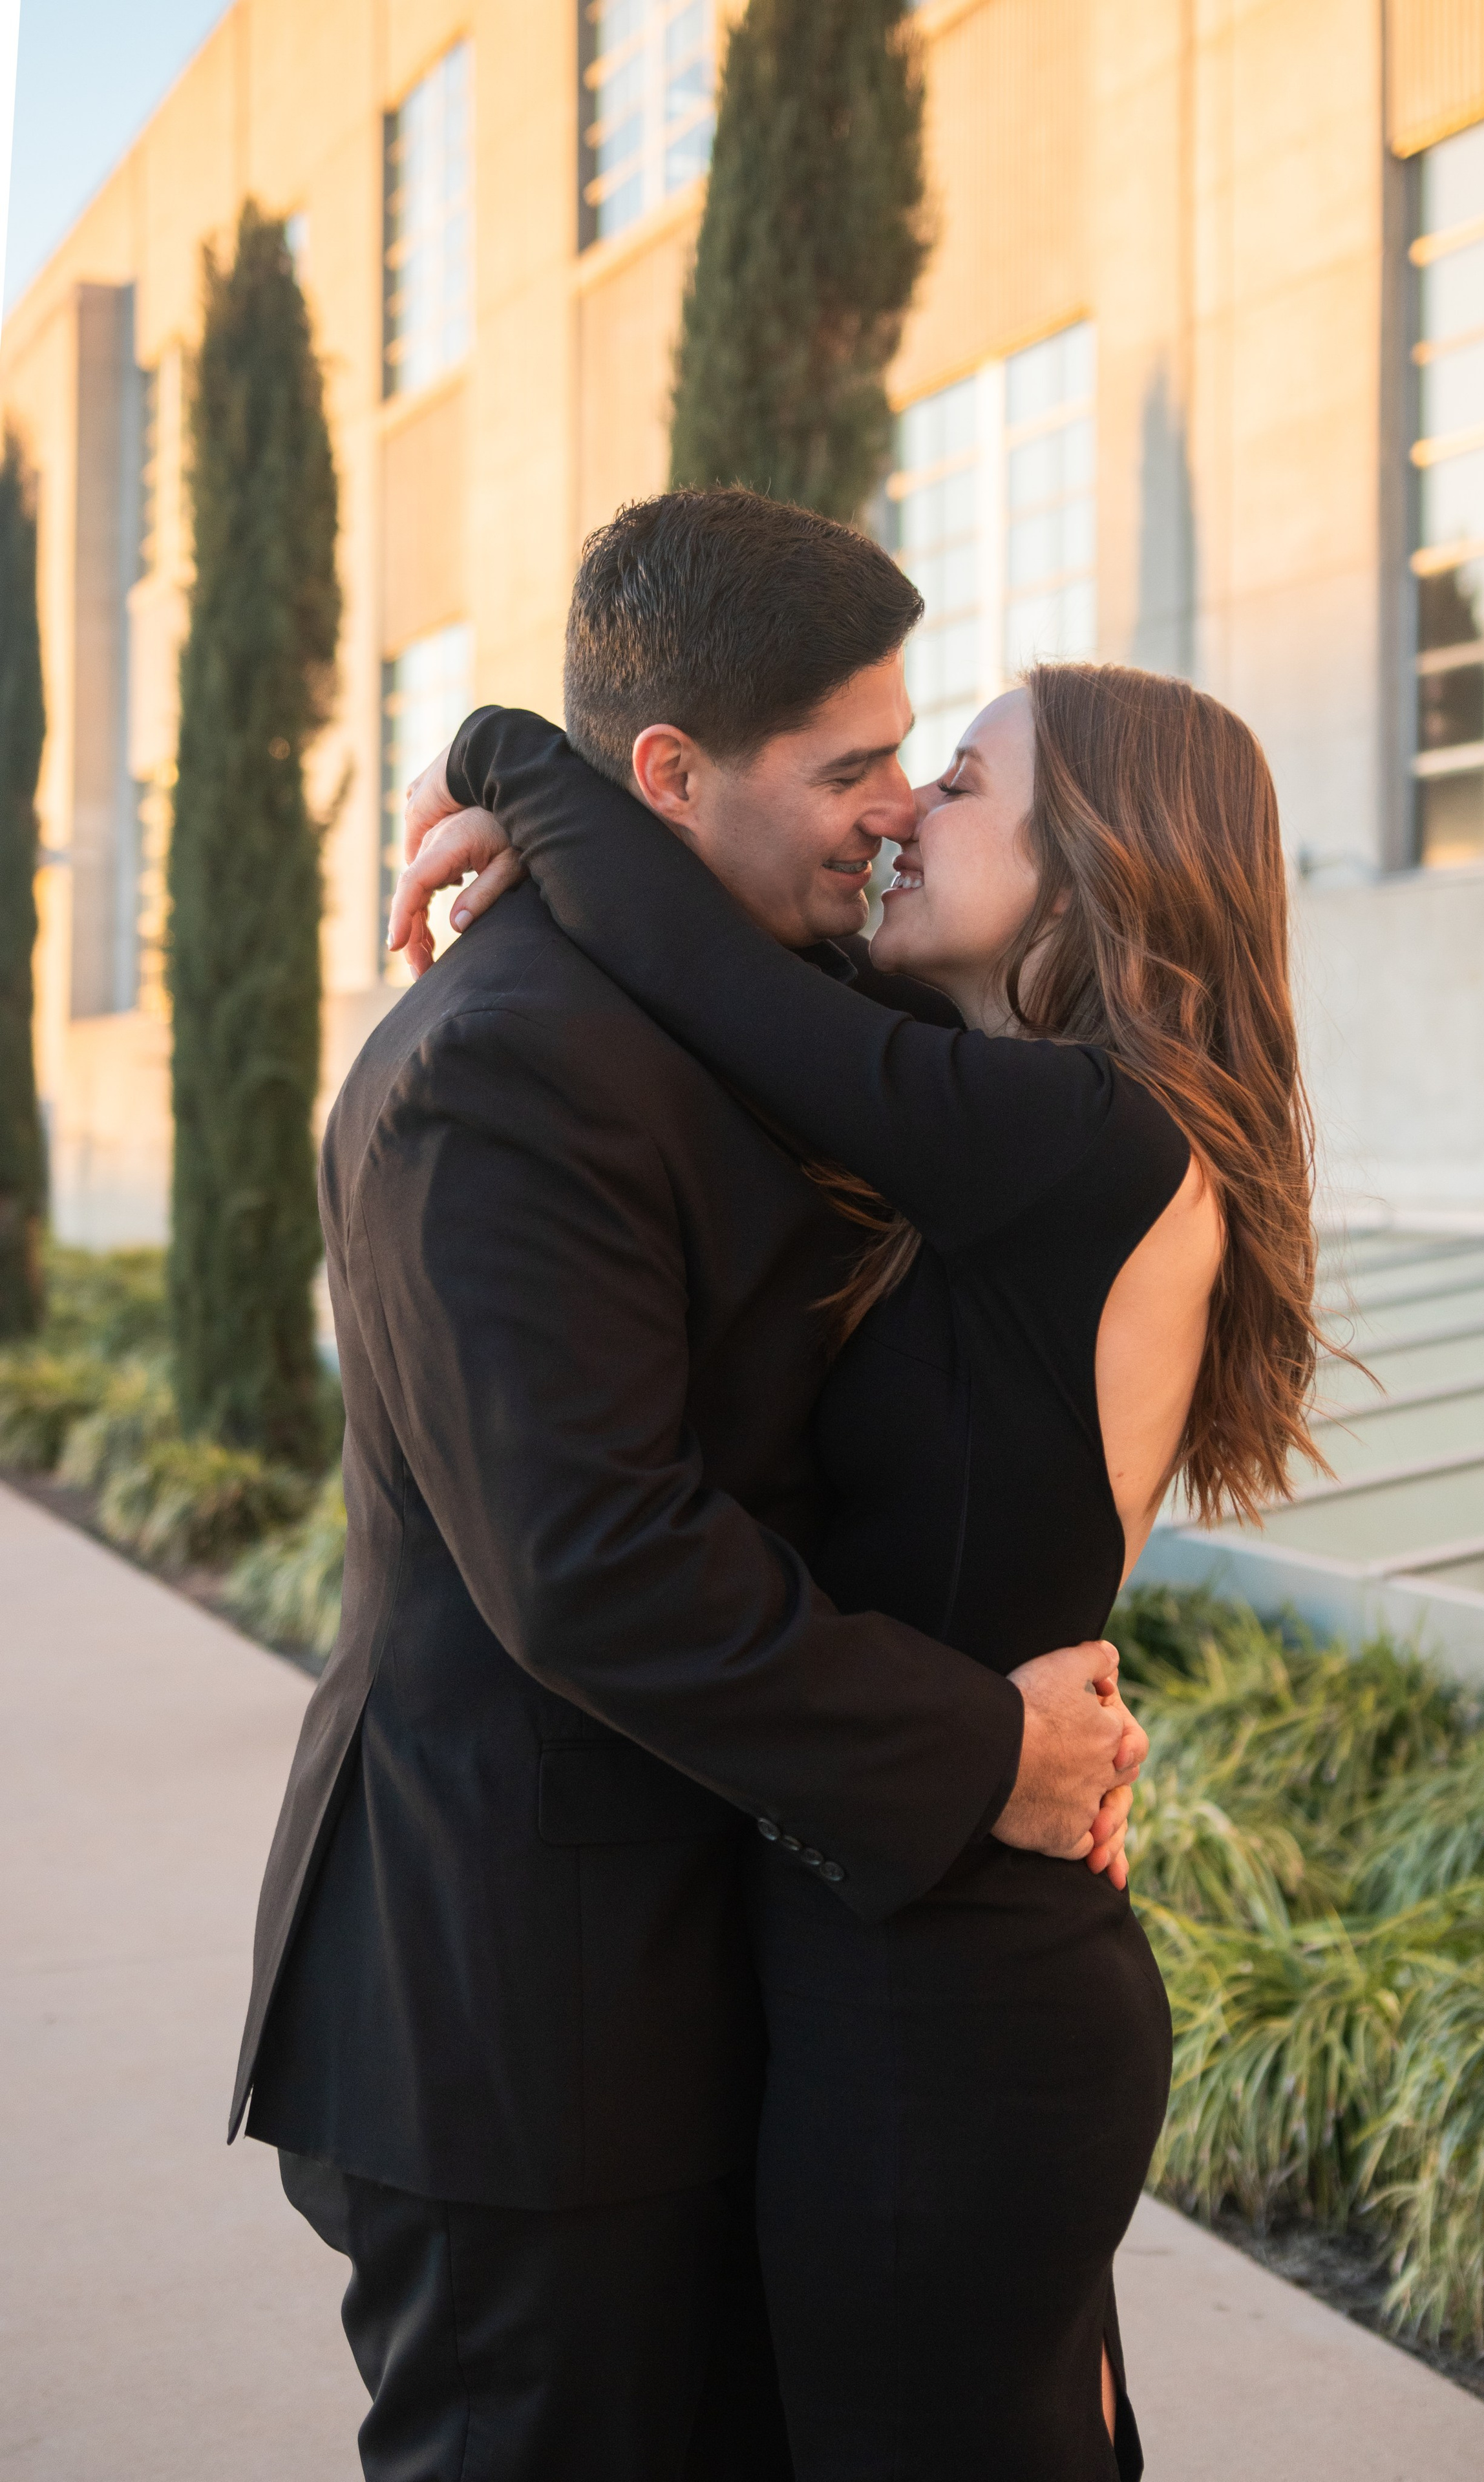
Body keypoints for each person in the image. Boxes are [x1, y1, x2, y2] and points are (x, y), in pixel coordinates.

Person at [232, 487, 1141, 2482]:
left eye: (914, 756)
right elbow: (599, 1564)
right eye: (852, 766)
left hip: (692, 1992)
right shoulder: (503, 1064)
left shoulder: (719, 1001)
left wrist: (517, 782)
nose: (895, 808)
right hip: (524, 2023)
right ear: (670, 774)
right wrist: (983, 1749)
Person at [396, 622, 1327, 2481]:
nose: (903, 816)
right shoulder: (1022, 1128)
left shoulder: (1085, 1135)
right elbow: (745, 981)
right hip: (928, 1939)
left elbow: (716, 983)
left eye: (960, 784)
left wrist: (502, 757)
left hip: (952, 1994)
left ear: (1099, 862)